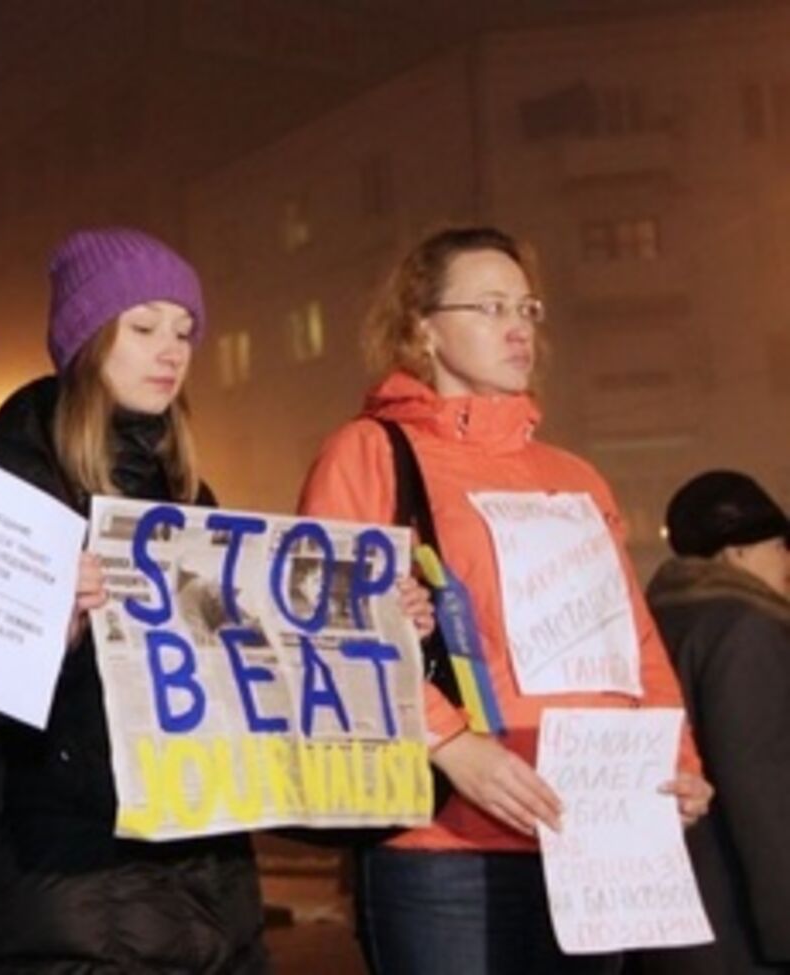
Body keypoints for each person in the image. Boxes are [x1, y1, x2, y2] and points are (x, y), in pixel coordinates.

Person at [297, 225, 713, 975]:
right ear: (423, 328)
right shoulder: (368, 452)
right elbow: (330, 629)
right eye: (490, 306)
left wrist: (676, 759)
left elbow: (632, 639)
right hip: (445, 849)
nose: (517, 325)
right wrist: (453, 746)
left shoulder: (575, 475)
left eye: (526, 307)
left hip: (591, 839)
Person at [0, 227, 270, 973]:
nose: (171, 350)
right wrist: (51, 627)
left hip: (211, 880)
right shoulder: (5, 487)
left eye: (184, 331)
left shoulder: (193, 500)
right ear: (87, 338)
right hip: (77, 884)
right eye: (143, 327)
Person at [630, 471, 790, 975]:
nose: (788, 562)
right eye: (781, 546)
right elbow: (763, 796)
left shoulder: (653, 622)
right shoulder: (747, 629)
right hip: (739, 925)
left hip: (668, 919)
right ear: (736, 552)